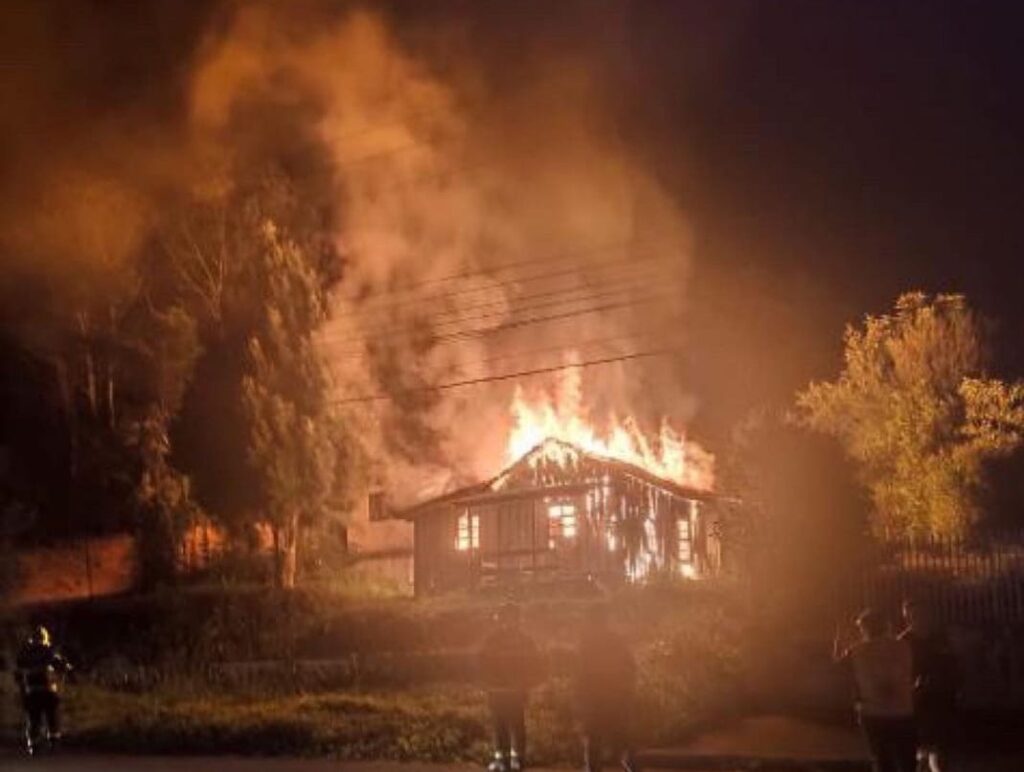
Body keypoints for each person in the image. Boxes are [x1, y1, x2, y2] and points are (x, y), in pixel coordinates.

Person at [833, 609, 916, 772]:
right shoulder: (904, 647)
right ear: (886, 626)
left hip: (873, 711)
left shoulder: (857, 651)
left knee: (882, 758)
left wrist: (839, 640)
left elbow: (837, 668)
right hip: (903, 710)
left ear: (864, 628)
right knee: (906, 759)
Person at [478, 603, 542, 772]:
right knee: (510, 726)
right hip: (508, 692)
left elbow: (482, 663)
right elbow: (535, 665)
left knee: (507, 726)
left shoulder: (494, 640)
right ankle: (509, 759)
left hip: (505, 692)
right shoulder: (523, 640)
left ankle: (508, 759)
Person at [573, 603, 637, 772]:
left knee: (595, 741)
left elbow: (581, 675)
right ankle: (629, 765)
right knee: (621, 739)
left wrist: (580, 701)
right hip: (614, 698)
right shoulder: (615, 641)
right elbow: (630, 668)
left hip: (597, 701)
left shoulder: (586, 644)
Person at [899, 600, 958, 772]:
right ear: (906, 617)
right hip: (919, 699)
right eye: (911, 615)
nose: (917, 618)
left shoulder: (940, 637)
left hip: (943, 697)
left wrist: (954, 683)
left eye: (920, 614)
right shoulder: (904, 640)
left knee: (941, 746)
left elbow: (952, 662)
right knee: (923, 746)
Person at [14, 625, 72, 755]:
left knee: (34, 719)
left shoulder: (25, 653)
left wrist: (21, 687)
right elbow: (62, 666)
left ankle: (34, 745)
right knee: (52, 718)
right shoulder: (49, 651)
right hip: (48, 691)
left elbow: (18, 672)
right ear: (45, 637)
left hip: (32, 691)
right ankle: (53, 743)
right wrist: (66, 666)